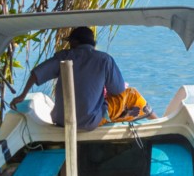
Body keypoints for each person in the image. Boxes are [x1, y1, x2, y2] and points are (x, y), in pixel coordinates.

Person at [23, 27, 152, 130]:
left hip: (62, 121)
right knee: (132, 94)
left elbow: (36, 73)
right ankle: (156, 122)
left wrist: (22, 95)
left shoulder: (64, 56)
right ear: (92, 43)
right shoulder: (104, 60)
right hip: (90, 122)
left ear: (75, 42)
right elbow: (117, 90)